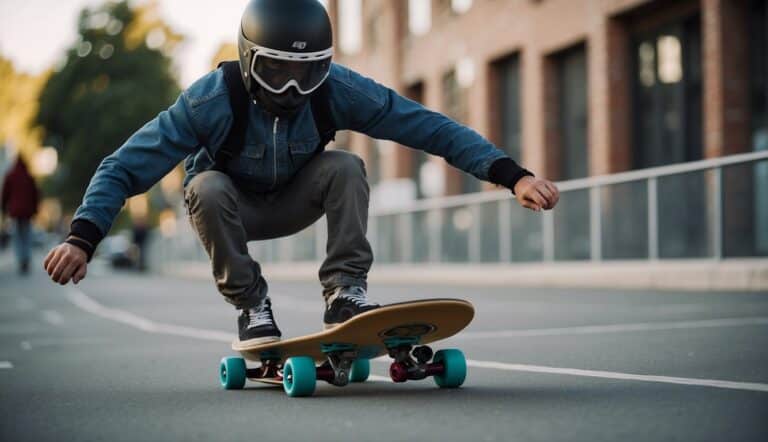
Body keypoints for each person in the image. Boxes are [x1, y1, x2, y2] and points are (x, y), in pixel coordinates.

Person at [43, 0, 559, 346]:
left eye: (308, 72)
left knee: (346, 166)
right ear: (248, 61)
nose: (293, 89)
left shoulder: (338, 89)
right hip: (231, 210)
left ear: (324, 65)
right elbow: (127, 165)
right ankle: (252, 306)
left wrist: (509, 174)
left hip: (296, 201)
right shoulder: (209, 100)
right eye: (276, 72)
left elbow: (427, 126)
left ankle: (344, 292)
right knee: (204, 183)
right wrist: (83, 237)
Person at [2, 156, 40, 275]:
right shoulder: (29, 177)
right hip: (28, 212)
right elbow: (36, 195)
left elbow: (5, 194)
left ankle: (21, 258)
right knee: (26, 235)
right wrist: (35, 210)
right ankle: (26, 257)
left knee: (18, 236)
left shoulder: (10, 176)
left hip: (15, 212)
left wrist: (3, 208)